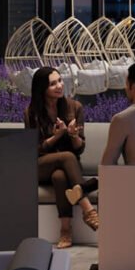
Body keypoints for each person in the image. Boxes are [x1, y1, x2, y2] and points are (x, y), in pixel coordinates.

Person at [24, 67, 99, 249]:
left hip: (69, 167)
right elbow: (33, 150)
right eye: (52, 84)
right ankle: (88, 209)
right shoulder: (31, 113)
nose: (59, 86)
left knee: (60, 176)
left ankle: (65, 231)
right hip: (41, 165)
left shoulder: (75, 107)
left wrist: (73, 136)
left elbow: (80, 149)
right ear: (42, 88)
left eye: (60, 80)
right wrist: (56, 137)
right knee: (65, 157)